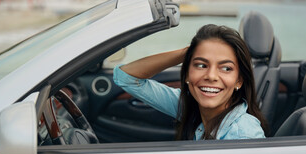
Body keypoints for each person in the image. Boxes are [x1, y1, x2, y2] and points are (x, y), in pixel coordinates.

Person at [113, 24, 268, 140]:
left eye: (226, 68)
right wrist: (187, 53)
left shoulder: (244, 133)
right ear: (187, 74)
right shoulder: (191, 106)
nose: (211, 76)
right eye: (201, 65)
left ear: (239, 81)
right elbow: (126, 77)